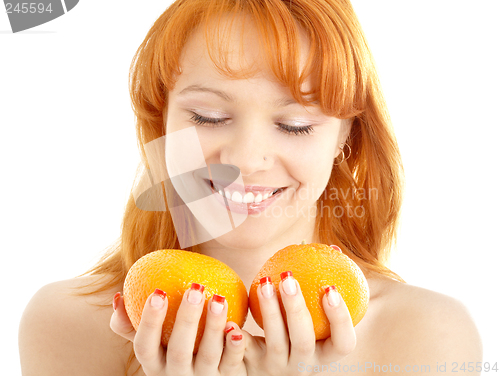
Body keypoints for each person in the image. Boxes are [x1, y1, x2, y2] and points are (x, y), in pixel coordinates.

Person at [18, 0, 482, 375]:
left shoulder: (427, 335)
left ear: (345, 137)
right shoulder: (66, 325)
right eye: (208, 117)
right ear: (162, 123)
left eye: (295, 124)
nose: (244, 159)